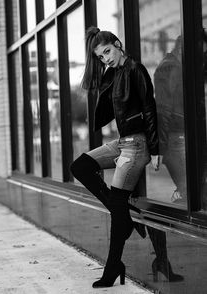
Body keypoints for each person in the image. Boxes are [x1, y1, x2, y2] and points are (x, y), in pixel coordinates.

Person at [70, 27, 159, 288]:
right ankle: (123, 214)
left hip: (138, 145)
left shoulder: (135, 69)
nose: (105, 59)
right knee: (80, 166)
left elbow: (149, 108)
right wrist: (101, 68)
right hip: (122, 142)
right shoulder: (114, 73)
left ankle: (112, 268)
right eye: (100, 56)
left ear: (118, 44)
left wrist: (155, 150)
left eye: (107, 51)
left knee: (118, 210)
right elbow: (99, 91)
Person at [154, 36, 186, 204]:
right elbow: (163, 108)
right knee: (190, 192)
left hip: (179, 135)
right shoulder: (170, 67)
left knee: (190, 191)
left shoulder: (176, 66)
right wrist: (162, 146)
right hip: (177, 137)